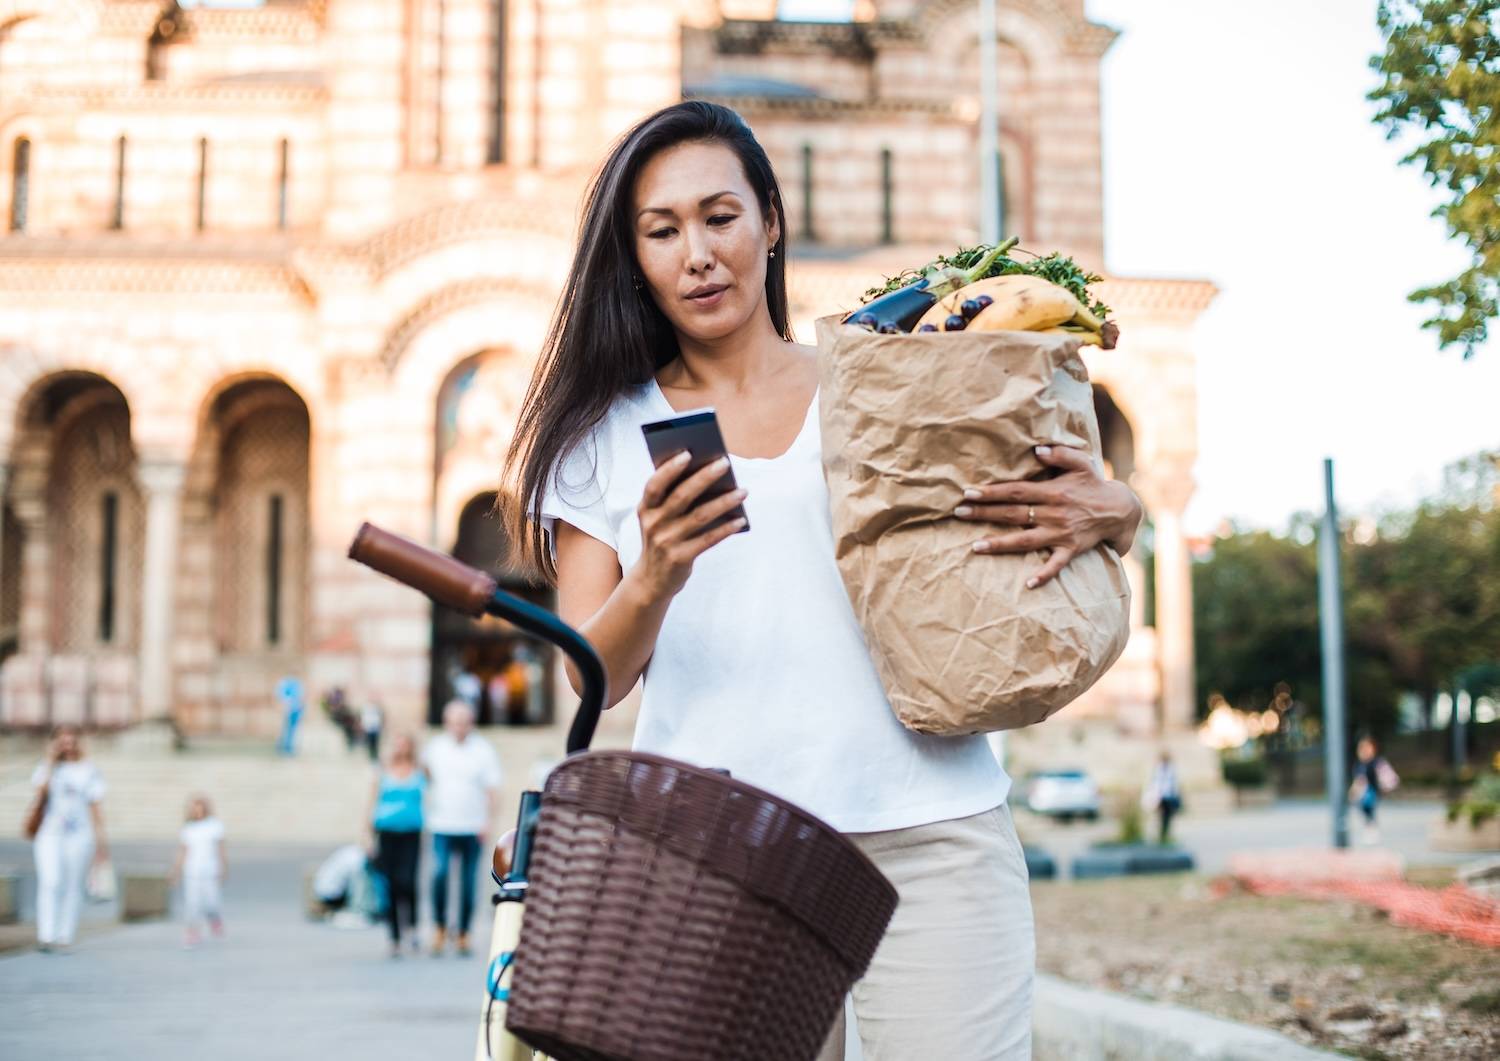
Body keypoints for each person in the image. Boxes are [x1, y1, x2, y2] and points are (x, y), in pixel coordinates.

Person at [501, 101, 1143, 1059]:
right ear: (632, 257)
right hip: (724, 856)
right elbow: (590, 671)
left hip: (933, 834)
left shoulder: (881, 377)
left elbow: (1017, 507)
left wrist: (1119, 512)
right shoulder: (600, 436)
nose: (698, 254)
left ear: (770, 219)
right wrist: (659, 572)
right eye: (662, 231)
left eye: (720, 217)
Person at [421, 700, 501, 957]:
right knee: (440, 874)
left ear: (471, 722)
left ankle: (465, 931)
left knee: (469, 882)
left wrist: (489, 821)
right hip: (442, 823)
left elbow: (492, 789)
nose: (459, 726)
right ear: (447, 723)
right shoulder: (434, 748)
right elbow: (424, 780)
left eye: (463, 721)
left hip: (472, 824)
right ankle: (440, 926)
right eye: (455, 721)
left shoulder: (483, 750)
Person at [29, 724, 110, 953]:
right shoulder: (46, 767)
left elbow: (95, 806)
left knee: (72, 884)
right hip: (49, 833)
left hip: (79, 834)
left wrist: (101, 842)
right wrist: (51, 761)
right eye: (61, 740)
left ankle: (65, 934)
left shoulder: (89, 769)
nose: (67, 744)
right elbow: (39, 792)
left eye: (71, 740)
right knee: (50, 881)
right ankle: (46, 934)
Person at [367, 732, 425, 957]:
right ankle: (394, 935)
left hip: (411, 831)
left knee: (408, 881)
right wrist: (367, 834)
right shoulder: (382, 770)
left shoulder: (419, 770)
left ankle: (412, 928)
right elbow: (372, 800)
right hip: (386, 831)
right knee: (389, 883)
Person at [169, 794, 226, 948]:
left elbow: (221, 849)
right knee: (192, 904)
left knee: (211, 902)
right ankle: (192, 931)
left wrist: (223, 868)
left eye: (199, 807)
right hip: (192, 871)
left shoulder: (215, 825)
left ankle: (214, 919)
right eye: (194, 807)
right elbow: (182, 851)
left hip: (210, 870)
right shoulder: (188, 828)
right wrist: (176, 872)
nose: (197, 810)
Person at [1350, 736, 1399, 844]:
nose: (1364, 751)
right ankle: (1370, 826)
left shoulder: (1376, 762)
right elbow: (1358, 780)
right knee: (1364, 808)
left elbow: (1386, 774)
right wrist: (1353, 790)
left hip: (1372, 790)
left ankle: (1371, 827)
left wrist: (1387, 785)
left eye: (1367, 748)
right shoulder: (1359, 765)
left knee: (1368, 808)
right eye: (1362, 748)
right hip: (1363, 792)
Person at [1142, 751, 1183, 844]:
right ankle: (1161, 833)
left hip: (1169, 796)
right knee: (1161, 815)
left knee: (1167, 816)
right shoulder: (1158, 769)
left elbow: (1175, 784)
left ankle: (1165, 833)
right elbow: (1153, 783)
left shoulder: (1171, 769)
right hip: (1160, 796)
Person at [276, 675, 305, 756]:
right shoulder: (285, 684)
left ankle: (289, 747)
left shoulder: (296, 684)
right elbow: (282, 695)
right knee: (286, 728)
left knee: (292, 729)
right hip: (289, 709)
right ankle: (283, 747)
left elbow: (300, 697)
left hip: (295, 709)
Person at [360, 698, 384, 763]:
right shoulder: (366, 708)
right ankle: (371, 756)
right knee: (369, 743)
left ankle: (375, 756)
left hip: (375, 728)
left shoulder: (377, 708)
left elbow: (381, 717)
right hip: (368, 728)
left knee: (375, 743)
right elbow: (363, 718)